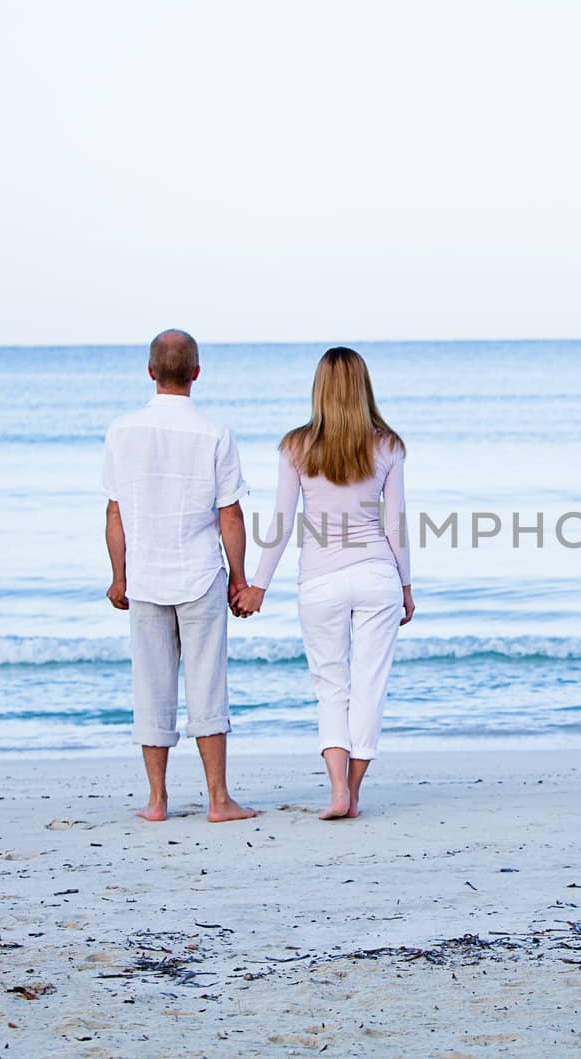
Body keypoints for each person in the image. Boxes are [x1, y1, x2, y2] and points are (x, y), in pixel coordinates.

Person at [236, 347, 414, 820]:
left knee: (331, 684)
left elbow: (281, 522)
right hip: (377, 574)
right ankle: (353, 794)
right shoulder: (388, 444)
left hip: (319, 579)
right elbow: (395, 523)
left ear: (319, 388)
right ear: (363, 386)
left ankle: (336, 790)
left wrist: (259, 585)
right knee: (370, 684)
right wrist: (406, 585)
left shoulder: (296, 446)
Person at [102, 329, 258, 824]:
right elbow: (228, 515)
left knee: (150, 686)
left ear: (150, 372)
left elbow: (115, 513)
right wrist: (240, 577)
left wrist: (117, 576)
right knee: (207, 683)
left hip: (146, 575)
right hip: (199, 574)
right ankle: (218, 800)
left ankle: (157, 801)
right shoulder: (215, 433)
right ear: (195, 373)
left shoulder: (121, 431)